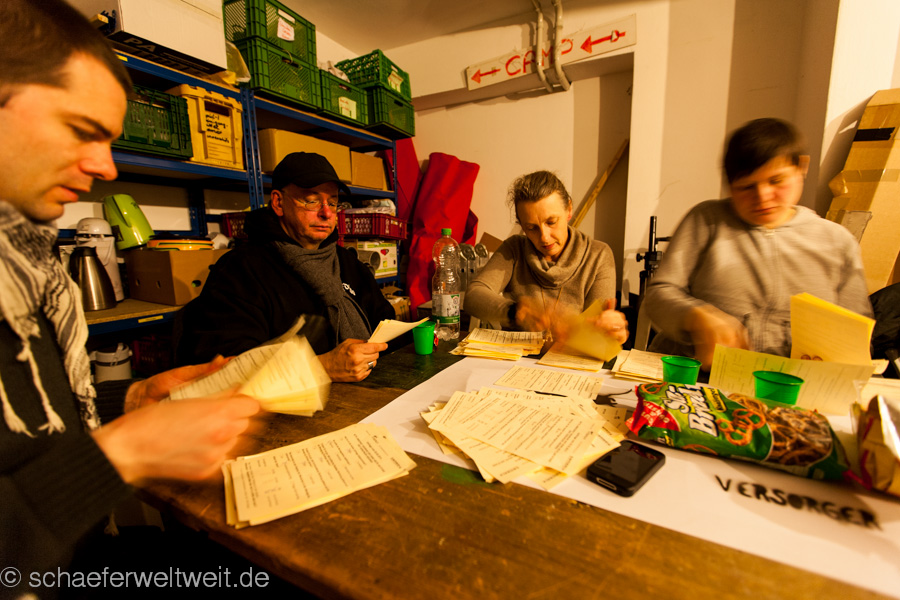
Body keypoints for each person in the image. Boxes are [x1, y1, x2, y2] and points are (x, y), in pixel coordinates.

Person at [0, 0, 261, 593]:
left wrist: (133, 398)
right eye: (82, 130)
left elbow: (30, 422)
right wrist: (120, 456)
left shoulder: (27, 263)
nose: (107, 168)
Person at [643, 118, 873, 370]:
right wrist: (695, 317)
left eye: (776, 181)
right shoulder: (706, 220)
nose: (762, 197)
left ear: (801, 167)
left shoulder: (837, 242)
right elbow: (657, 296)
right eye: (746, 187)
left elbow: (858, 334)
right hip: (691, 374)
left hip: (786, 383)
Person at [176, 152, 398, 382]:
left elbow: (385, 323)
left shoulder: (346, 262)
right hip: (282, 403)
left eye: (332, 202)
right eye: (311, 200)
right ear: (278, 203)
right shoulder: (240, 271)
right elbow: (223, 367)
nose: (326, 213)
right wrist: (322, 367)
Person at [465, 170, 629, 344]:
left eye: (551, 222)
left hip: (572, 356)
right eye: (531, 228)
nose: (544, 237)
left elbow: (597, 333)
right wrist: (516, 311)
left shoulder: (598, 255)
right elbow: (474, 295)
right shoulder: (514, 250)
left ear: (569, 210)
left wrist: (607, 331)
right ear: (521, 225)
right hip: (517, 355)